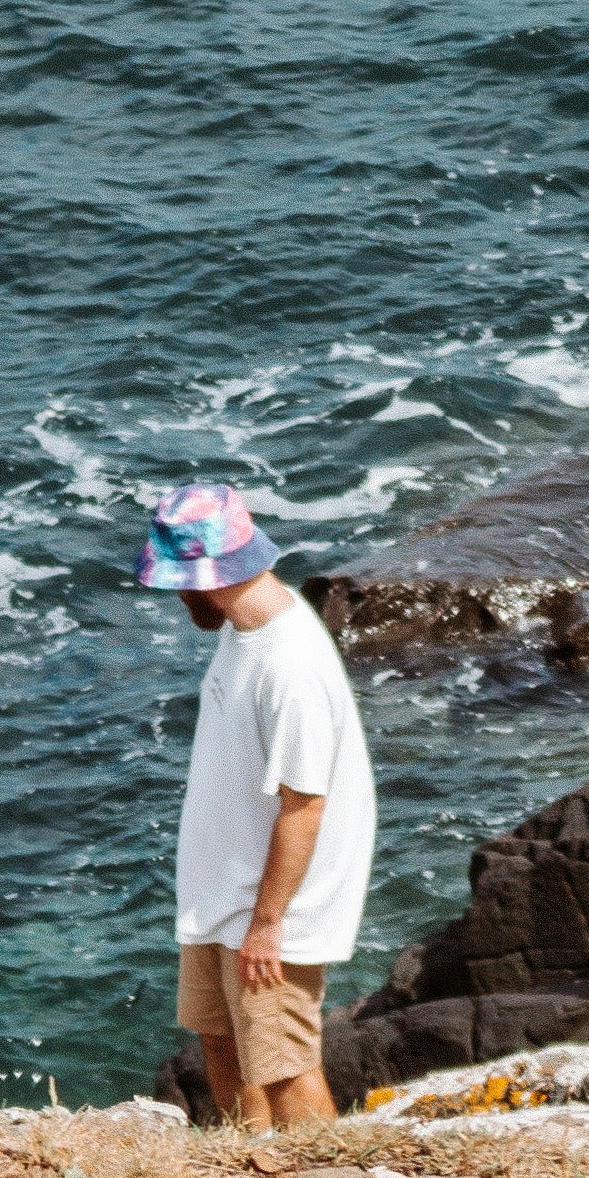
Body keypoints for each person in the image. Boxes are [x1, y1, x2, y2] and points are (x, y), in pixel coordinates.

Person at [134, 477, 376, 1126]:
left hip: (268, 913)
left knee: (287, 1064)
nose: (177, 598)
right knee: (222, 1042)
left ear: (204, 577)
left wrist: (268, 923)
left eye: (178, 584)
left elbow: (306, 807)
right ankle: (252, 1169)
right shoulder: (247, 631)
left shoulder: (290, 667)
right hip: (221, 894)